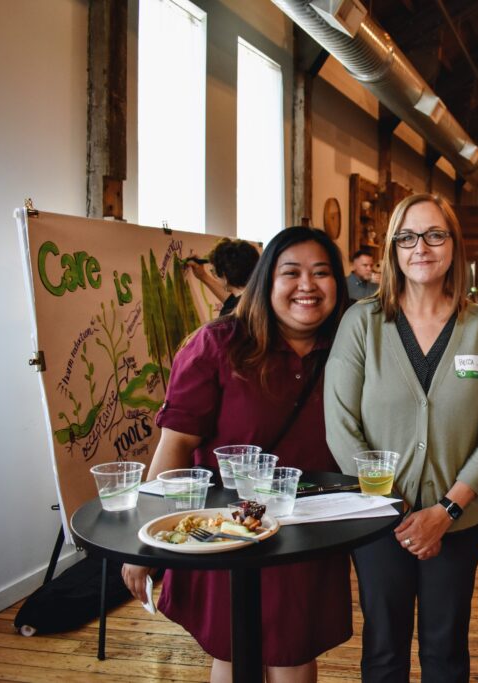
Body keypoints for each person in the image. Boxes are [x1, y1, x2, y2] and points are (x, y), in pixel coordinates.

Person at [122, 227, 352, 682]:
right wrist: (144, 540)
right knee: (232, 649)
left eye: (321, 273)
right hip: (228, 528)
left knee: (293, 653)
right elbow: (176, 444)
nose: (307, 285)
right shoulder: (218, 345)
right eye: (292, 272)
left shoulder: (350, 346)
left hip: (309, 528)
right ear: (266, 281)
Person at [324, 193, 478, 683]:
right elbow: (340, 423)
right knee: (384, 648)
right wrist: (393, 506)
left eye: (435, 235)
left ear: (453, 245)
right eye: (407, 237)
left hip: (460, 517)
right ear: (392, 249)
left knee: (445, 648)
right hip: (377, 519)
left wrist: (445, 511)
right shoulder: (362, 323)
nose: (421, 247)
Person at [187, 237, 260, 316]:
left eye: (214, 272)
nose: (215, 275)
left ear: (224, 275)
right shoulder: (257, 299)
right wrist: (203, 276)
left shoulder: (234, 316)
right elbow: (231, 301)